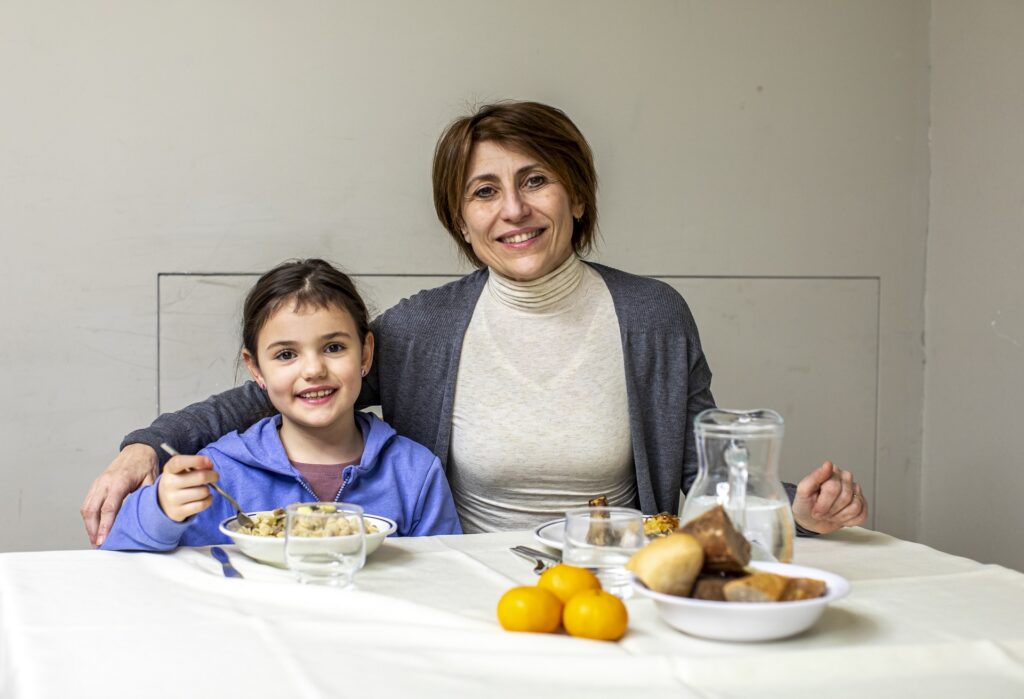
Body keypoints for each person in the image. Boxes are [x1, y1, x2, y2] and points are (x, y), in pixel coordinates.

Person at [85, 101, 867, 547]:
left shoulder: (652, 316)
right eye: (484, 191)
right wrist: (147, 446)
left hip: (621, 577)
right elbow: (281, 391)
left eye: (535, 181)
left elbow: (703, 464)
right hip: (467, 581)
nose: (514, 210)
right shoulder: (426, 328)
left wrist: (792, 504)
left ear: (579, 195)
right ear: (461, 221)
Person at [101, 259, 462, 551]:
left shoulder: (415, 473)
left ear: (366, 353)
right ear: (256, 369)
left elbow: (447, 573)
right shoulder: (221, 472)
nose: (314, 369)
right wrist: (162, 509)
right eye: (286, 354)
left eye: (334, 347)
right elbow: (116, 554)